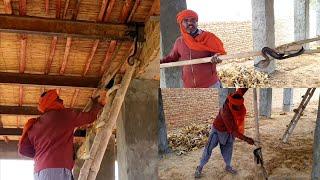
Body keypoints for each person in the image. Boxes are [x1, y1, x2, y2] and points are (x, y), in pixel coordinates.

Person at [18, 89, 106, 180]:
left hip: (38, 172)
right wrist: (98, 105)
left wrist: (45, 155)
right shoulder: (64, 116)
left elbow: (24, 150)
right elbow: (90, 117)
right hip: (56, 170)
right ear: (52, 102)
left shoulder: (34, 125)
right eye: (58, 99)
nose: (61, 101)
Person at [194, 88, 255, 178]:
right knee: (208, 148)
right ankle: (200, 167)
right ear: (231, 105)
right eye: (236, 107)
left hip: (228, 131)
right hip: (218, 130)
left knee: (228, 149)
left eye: (239, 106)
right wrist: (246, 139)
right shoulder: (226, 112)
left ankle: (228, 166)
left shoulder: (234, 97)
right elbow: (234, 131)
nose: (238, 108)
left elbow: (242, 90)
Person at [160, 9, 226, 88]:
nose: (190, 23)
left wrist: (217, 56)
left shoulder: (208, 37)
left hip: (210, 84)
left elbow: (218, 53)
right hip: (188, 86)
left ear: (196, 22)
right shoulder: (179, 42)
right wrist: (159, 63)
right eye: (186, 20)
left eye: (193, 20)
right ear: (181, 24)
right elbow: (172, 57)